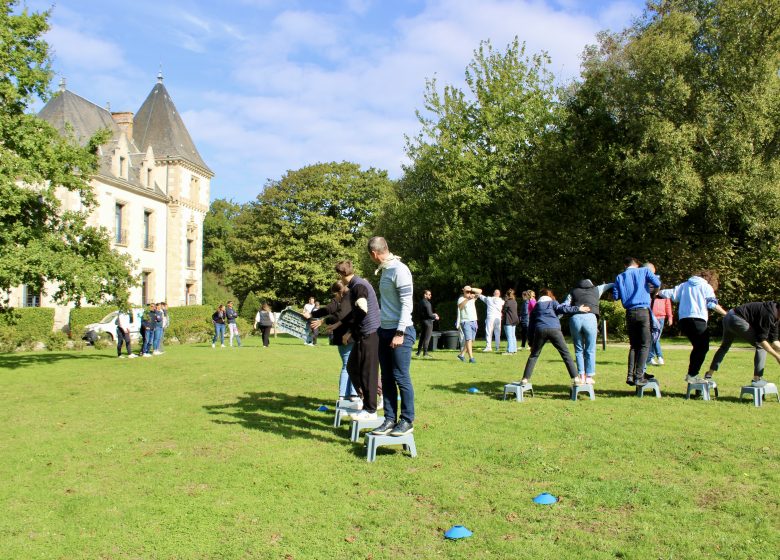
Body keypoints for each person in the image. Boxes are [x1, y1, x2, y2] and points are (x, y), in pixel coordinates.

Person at [367, 237, 416, 437]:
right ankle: (389, 419)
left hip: (400, 331)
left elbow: (407, 304)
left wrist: (400, 332)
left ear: (374, 254)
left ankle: (406, 420)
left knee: (400, 376)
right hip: (384, 330)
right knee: (386, 377)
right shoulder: (386, 270)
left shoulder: (399, 270)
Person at [658, 270, 727, 384]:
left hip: (684, 321)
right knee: (702, 348)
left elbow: (671, 294)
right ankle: (692, 375)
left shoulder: (684, 285)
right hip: (698, 319)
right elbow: (711, 304)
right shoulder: (706, 287)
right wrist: (726, 314)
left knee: (698, 347)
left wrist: (657, 292)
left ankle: (692, 374)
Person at [336, 260, 381, 422]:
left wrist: (349, 332)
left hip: (370, 333)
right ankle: (367, 400)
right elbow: (354, 313)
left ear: (342, 275)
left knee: (368, 372)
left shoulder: (358, 286)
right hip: (364, 334)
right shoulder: (356, 284)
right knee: (352, 366)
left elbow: (362, 309)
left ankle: (371, 409)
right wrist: (338, 324)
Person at [519, 289, 589, 386]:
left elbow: (531, 327)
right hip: (554, 330)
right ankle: (576, 379)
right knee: (566, 354)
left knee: (533, 356)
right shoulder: (553, 303)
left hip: (540, 330)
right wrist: (578, 309)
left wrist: (531, 343)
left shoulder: (536, 307)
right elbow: (564, 309)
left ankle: (525, 379)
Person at [705, 301, 780, 387]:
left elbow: (774, 341)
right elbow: (761, 339)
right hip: (736, 319)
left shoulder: (775, 314)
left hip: (728, 316)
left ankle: (709, 375)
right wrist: (777, 356)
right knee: (761, 346)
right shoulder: (769, 314)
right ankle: (757, 379)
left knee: (724, 347)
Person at [613, 257, 661, 386]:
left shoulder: (620, 277)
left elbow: (616, 296)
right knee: (645, 345)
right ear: (637, 264)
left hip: (629, 312)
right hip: (643, 311)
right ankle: (639, 376)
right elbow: (657, 283)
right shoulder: (644, 271)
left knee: (634, 346)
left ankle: (630, 376)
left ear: (625, 265)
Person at [310, 281, 359, 401]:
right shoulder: (344, 299)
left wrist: (317, 317)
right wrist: (314, 314)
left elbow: (332, 313)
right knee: (351, 365)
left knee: (348, 365)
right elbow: (339, 315)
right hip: (347, 336)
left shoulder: (342, 300)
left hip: (343, 335)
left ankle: (347, 394)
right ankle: (351, 394)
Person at [563, 279, 614, 385]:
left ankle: (581, 376)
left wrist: (577, 308)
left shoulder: (573, 291)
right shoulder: (596, 289)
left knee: (578, 350)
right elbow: (610, 285)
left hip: (575, 318)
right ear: (591, 285)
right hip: (590, 318)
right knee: (590, 349)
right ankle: (589, 376)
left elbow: (565, 306)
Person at [648, 291, 673, 366]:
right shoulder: (649, 295)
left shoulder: (664, 296)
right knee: (653, 338)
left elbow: (668, 307)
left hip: (661, 318)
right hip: (651, 318)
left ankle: (655, 357)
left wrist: (670, 318)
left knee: (655, 338)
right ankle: (655, 357)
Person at [457, 286, 480, 363]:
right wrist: (467, 299)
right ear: (463, 291)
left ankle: (461, 355)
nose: (469, 293)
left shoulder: (473, 298)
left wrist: (471, 289)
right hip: (465, 321)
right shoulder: (461, 299)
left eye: (469, 292)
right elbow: (460, 307)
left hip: (474, 321)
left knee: (471, 340)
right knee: (468, 339)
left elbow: (480, 291)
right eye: (467, 292)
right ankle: (471, 358)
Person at [416, 289, 439, 358]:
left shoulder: (420, 302)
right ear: (425, 295)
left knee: (422, 337)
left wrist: (433, 314)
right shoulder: (427, 303)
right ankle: (425, 353)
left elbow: (425, 313)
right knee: (427, 338)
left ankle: (418, 352)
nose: (430, 296)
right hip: (428, 323)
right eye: (429, 294)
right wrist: (435, 317)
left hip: (422, 322)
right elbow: (429, 315)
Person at [502, 289, 519, 354]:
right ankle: (514, 349)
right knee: (513, 335)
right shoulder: (515, 301)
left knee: (509, 336)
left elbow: (504, 310)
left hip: (508, 320)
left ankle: (510, 350)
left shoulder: (507, 302)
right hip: (514, 320)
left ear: (507, 295)